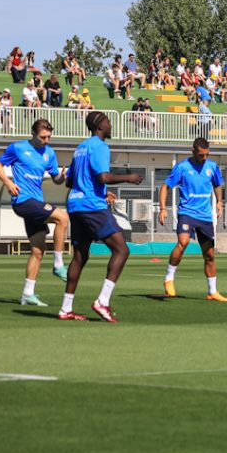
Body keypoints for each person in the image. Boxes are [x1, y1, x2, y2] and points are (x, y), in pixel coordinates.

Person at [59, 112, 144, 322]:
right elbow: (103, 176)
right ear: (99, 125)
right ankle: (102, 302)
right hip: (91, 206)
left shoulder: (81, 148)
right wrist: (129, 178)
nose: (110, 124)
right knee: (121, 250)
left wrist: (102, 190)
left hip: (75, 204)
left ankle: (65, 308)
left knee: (80, 256)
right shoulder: (100, 146)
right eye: (107, 121)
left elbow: (70, 182)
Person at [0, 119, 71, 306]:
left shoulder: (50, 153)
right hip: (22, 201)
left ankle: (28, 294)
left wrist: (63, 176)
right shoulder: (17, 148)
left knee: (37, 250)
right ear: (33, 134)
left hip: (36, 202)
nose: (46, 140)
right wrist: (8, 183)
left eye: (49, 137)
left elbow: (56, 180)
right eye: (43, 137)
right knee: (63, 217)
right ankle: (59, 264)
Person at [157, 138, 227, 302]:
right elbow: (165, 187)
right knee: (183, 242)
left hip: (205, 216)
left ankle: (212, 291)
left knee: (210, 255)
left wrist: (219, 201)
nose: (204, 158)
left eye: (207, 155)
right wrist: (162, 208)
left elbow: (217, 184)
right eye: (201, 155)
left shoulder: (212, 167)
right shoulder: (182, 167)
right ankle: (169, 278)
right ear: (193, 151)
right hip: (187, 213)